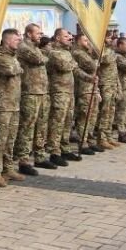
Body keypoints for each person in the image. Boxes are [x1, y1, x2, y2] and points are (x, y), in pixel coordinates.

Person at [0, 29, 24, 186]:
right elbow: (10, 70)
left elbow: (16, 69)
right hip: (2, 104)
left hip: (14, 104)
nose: (19, 42)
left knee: (10, 139)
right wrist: (19, 69)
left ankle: (8, 168)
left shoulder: (13, 56)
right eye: (16, 39)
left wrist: (18, 68)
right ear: (7, 41)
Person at [14, 23, 50, 174]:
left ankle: (40, 156)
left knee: (41, 126)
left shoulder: (36, 48)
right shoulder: (23, 47)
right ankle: (23, 160)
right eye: (38, 33)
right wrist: (45, 55)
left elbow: (44, 58)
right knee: (27, 127)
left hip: (41, 92)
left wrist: (44, 54)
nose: (41, 35)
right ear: (29, 34)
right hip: (29, 92)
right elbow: (39, 59)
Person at [44, 28, 78, 164]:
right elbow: (64, 66)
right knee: (57, 122)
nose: (70, 38)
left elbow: (73, 67)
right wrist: (73, 64)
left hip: (69, 91)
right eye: (66, 36)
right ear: (57, 38)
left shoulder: (66, 52)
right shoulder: (53, 52)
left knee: (68, 121)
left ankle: (65, 148)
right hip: (59, 92)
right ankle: (54, 151)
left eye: (70, 36)